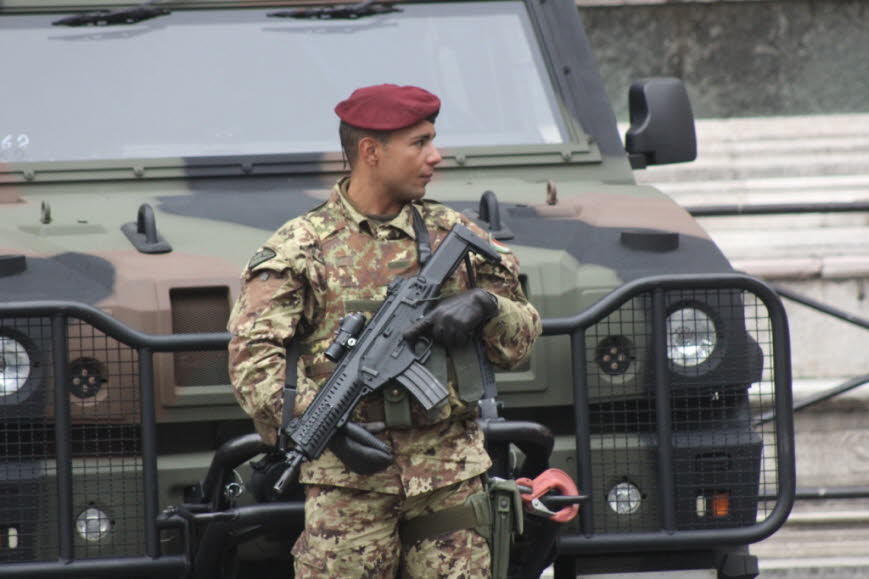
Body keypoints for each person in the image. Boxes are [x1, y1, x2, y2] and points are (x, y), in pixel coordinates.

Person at [227, 84, 541, 578]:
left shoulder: (454, 235)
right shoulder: (300, 247)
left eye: (432, 140)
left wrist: (487, 306)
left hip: (449, 476)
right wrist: (324, 426)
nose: (435, 157)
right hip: (347, 486)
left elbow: (520, 340)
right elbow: (253, 360)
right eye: (419, 143)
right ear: (371, 152)